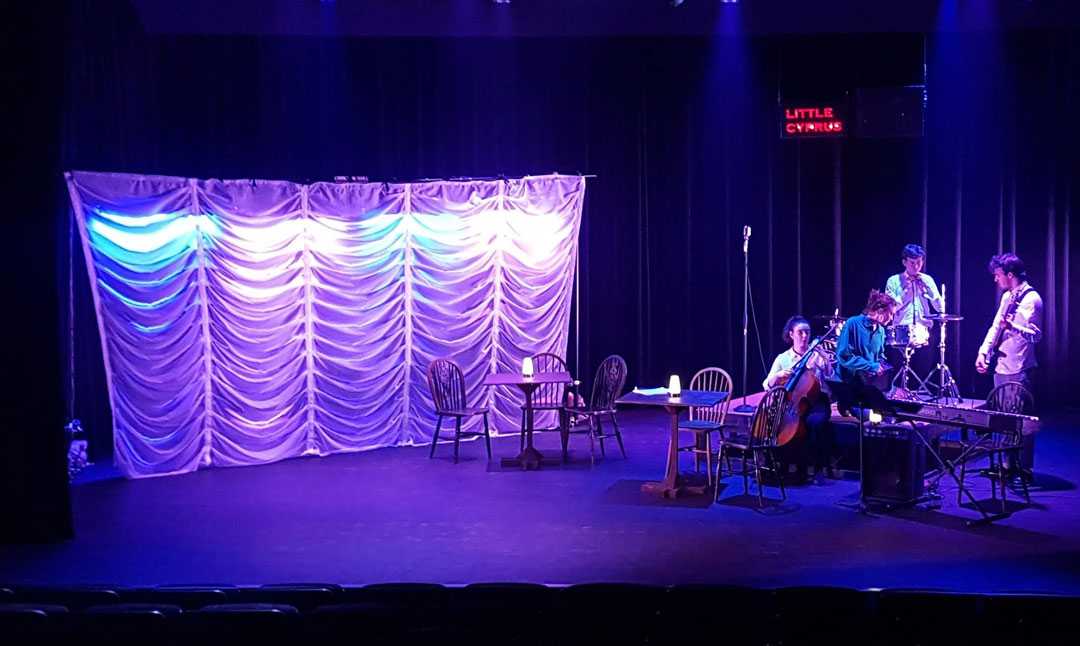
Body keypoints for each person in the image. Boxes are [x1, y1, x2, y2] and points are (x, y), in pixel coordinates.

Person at [763, 316, 836, 484]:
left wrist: (825, 360)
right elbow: (767, 384)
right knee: (781, 423)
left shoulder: (816, 355)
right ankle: (783, 466)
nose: (804, 336)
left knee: (814, 423)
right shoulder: (783, 358)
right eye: (800, 332)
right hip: (793, 402)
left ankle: (817, 469)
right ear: (791, 334)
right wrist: (779, 375)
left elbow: (832, 378)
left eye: (807, 332)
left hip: (817, 401)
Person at [976, 253, 1042, 394]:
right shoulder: (1007, 296)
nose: (996, 279)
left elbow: (1036, 336)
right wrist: (983, 352)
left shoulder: (1032, 299)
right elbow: (995, 327)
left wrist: (1013, 327)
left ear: (1010, 275)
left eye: (998, 275)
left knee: (1015, 413)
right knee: (1000, 412)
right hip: (1000, 366)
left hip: (1019, 369)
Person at [884, 244, 942, 379]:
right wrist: (905, 291)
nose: (916, 266)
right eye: (912, 263)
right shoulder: (893, 281)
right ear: (904, 262)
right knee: (900, 372)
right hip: (900, 331)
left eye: (919, 262)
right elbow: (890, 309)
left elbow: (940, 308)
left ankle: (920, 397)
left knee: (923, 372)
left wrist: (929, 290)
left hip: (924, 331)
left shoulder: (928, 280)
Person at [836, 289, 896, 389]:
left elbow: (879, 356)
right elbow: (844, 356)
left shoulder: (881, 330)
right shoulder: (853, 323)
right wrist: (871, 366)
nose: (892, 318)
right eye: (890, 313)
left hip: (869, 385)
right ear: (880, 310)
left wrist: (883, 367)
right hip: (850, 384)